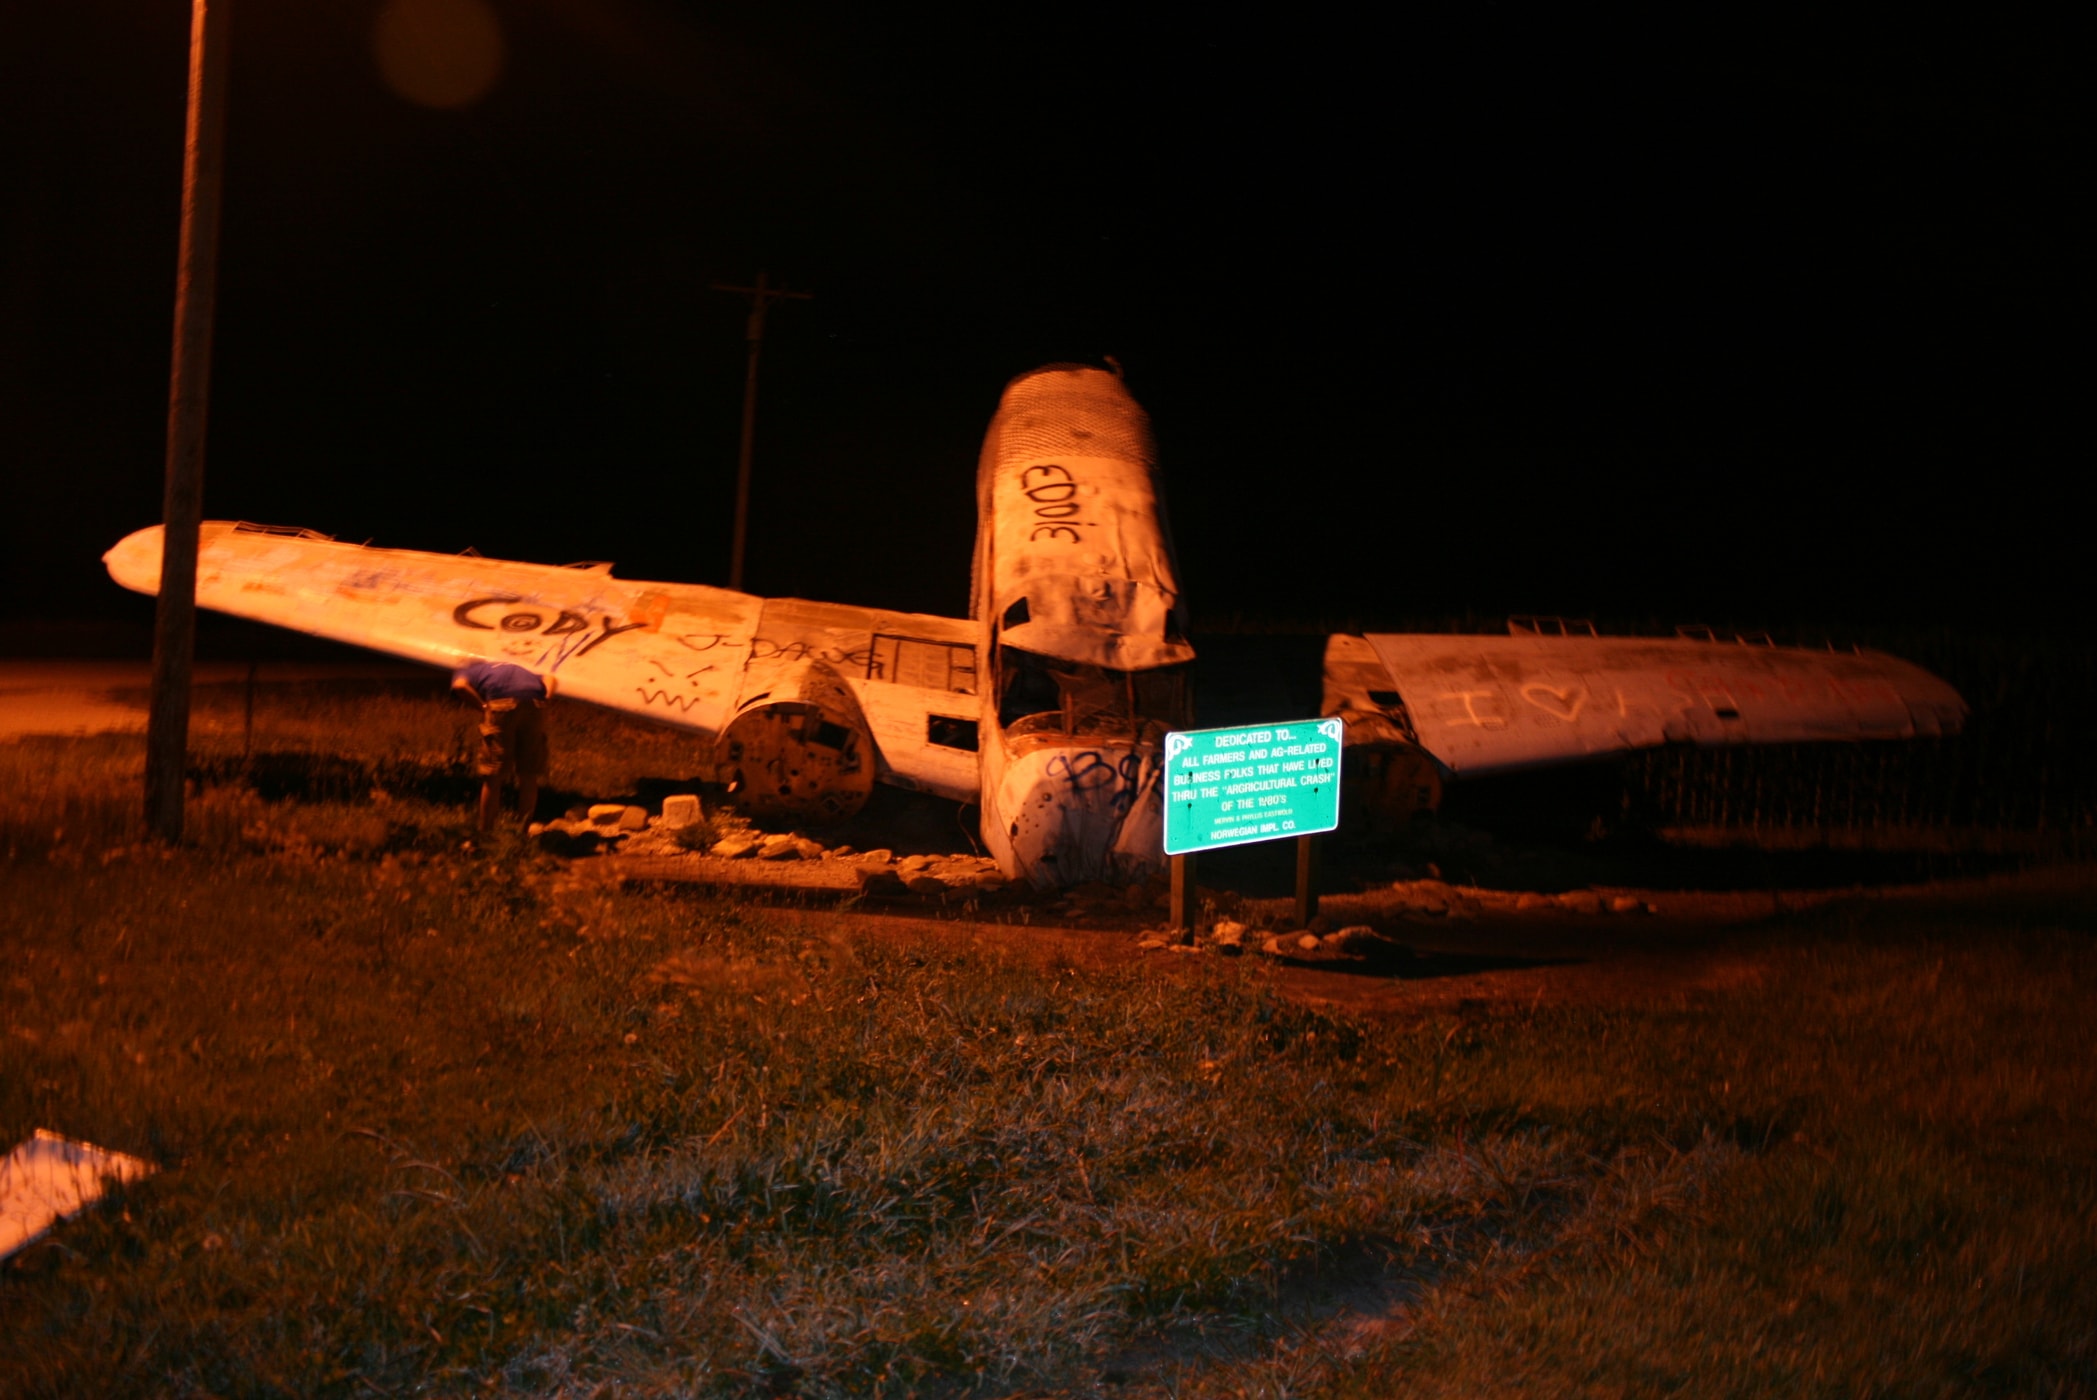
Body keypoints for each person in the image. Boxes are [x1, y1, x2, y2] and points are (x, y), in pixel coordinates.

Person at [451, 660, 556, 831]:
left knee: (493, 773)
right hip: (535, 704)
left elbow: (460, 686)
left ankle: (487, 832)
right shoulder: (516, 668)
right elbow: (550, 678)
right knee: (528, 774)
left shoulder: (467, 670)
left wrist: (483, 706)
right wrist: (545, 699)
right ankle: (523, 831)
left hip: (502, 703)